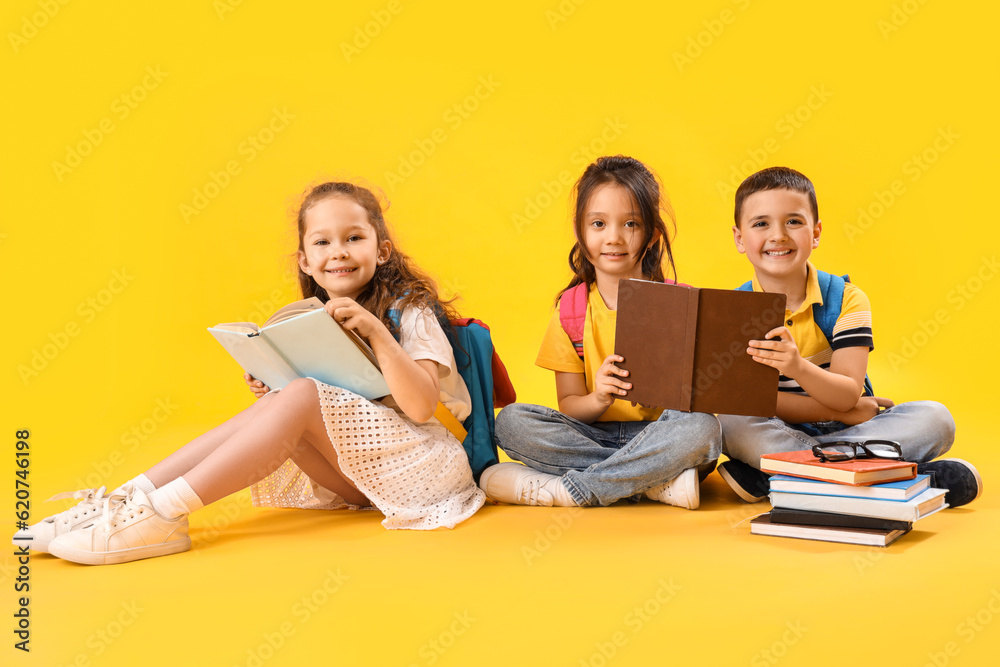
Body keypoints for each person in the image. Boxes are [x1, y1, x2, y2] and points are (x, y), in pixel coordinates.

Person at [15, 181, 485, 565]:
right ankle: (124, 499)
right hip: (366, 476)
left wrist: (378, 336)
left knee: (299, 395)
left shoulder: (409, 311)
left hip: (427, 470)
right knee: (288, 396)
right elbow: (334, 402)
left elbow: (423, 408)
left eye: (353, 238)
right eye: (321, 242)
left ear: (382, 251)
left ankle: (162, 513)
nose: (337, 252)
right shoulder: (312, 316)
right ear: (305, 260)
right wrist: (273, 382)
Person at [716, 166, 981, 507]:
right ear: (740, 238)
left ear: (816, 232)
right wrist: (846, 413)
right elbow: (750, 407)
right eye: (761, 223)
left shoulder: (846, 298)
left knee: (936, 419)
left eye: (794, 221)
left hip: (858, 428)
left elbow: (844, 394)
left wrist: (798, 368)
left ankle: (781, 474)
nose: (778, 235)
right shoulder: (731, 310)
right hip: (804, 427)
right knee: (728, 422)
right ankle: (895, 475)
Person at [479, 155, 721, 509]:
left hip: (658, 436)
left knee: (705, 429)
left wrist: (675, 388)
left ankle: (574, 490)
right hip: (592, 436)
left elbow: (700, 402)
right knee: (511, 423)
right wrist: (600, 398)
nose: (614, 238)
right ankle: (651, 483)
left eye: (631, 224)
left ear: (652, 234)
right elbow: (570, 407)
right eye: (598, 224)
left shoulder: (679, 302)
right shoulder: (572, 310)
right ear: (580, 231)